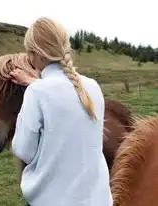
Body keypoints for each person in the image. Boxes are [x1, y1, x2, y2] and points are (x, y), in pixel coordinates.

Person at [10, 17, 113, 206]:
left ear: (38, 54)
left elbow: (24, 150)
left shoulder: (37, 92)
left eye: (30, 52)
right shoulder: (93, 87)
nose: (29, 58)